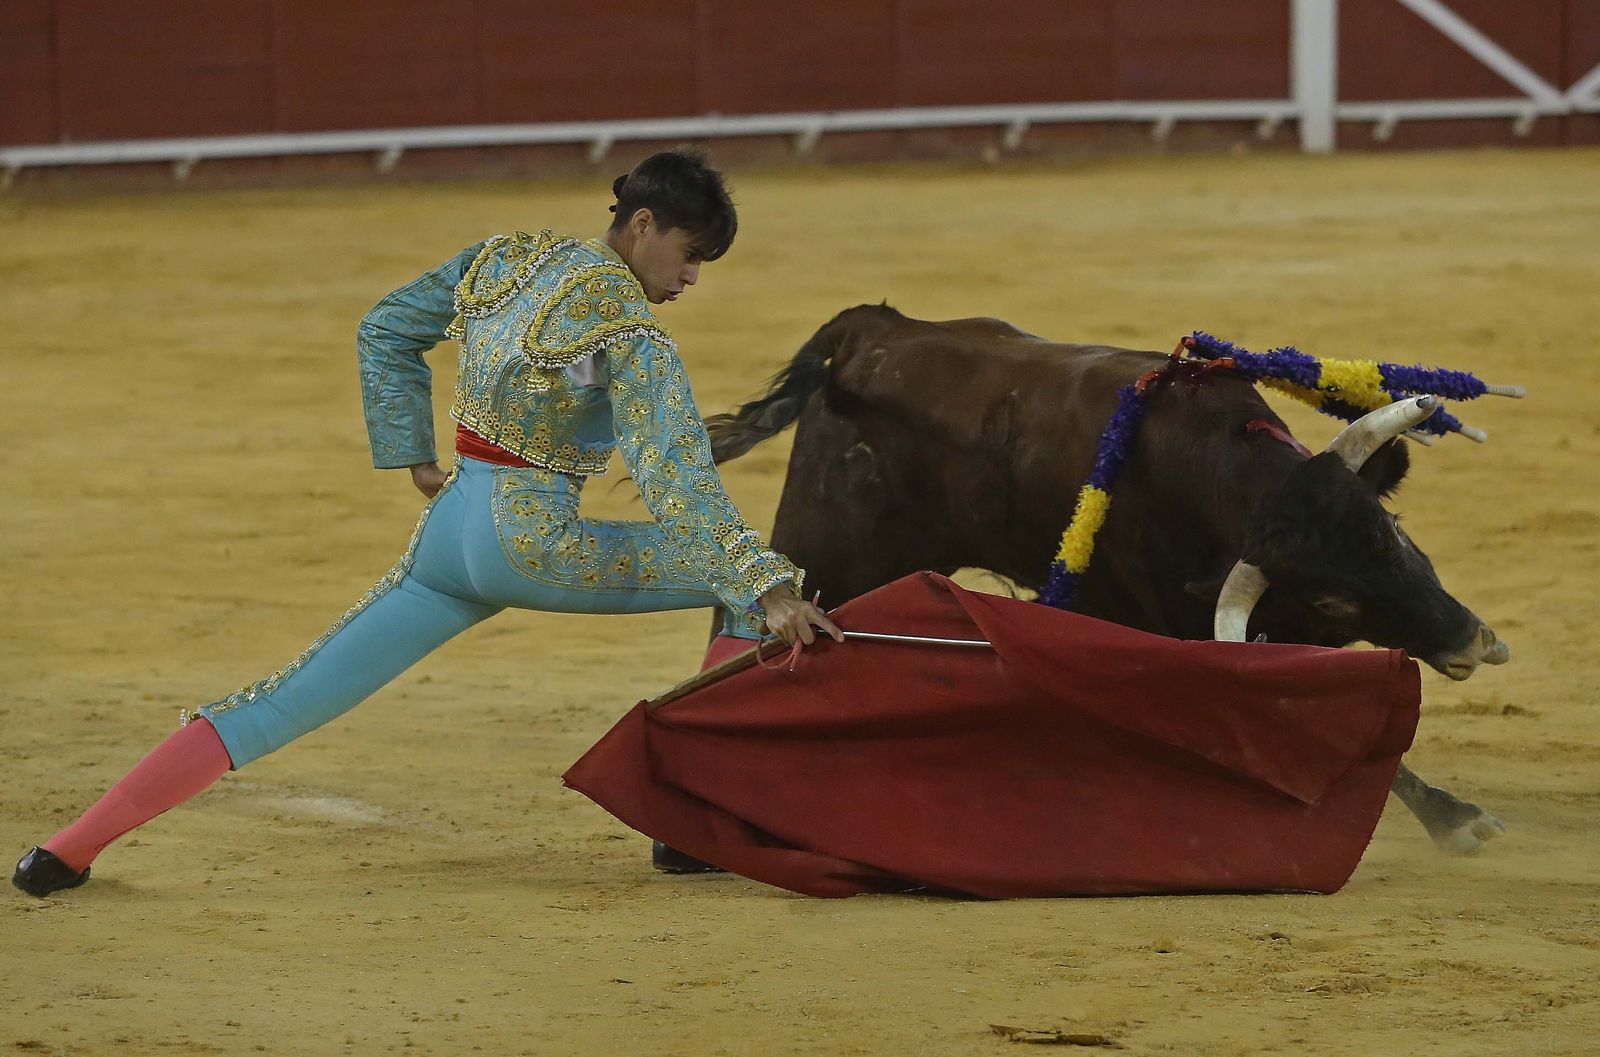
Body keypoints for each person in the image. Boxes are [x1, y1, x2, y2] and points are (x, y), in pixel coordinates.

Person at [13, 148, 840, 898]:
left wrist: (413, 451)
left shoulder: (506, 257)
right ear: (643, 224)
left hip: (449, 534)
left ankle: (67, 849)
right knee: (760, 576)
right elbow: (677, 479)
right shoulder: (630, 331)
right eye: (691, 253)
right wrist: (765, 589)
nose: (692, 277)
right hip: (534, 541)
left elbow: (388, 328)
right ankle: (685, 824)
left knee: (281, 698)